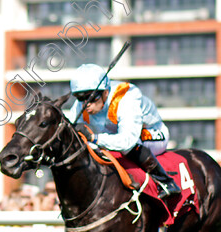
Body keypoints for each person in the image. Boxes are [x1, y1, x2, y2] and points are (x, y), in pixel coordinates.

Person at [67, 63, 180, 198]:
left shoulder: (126, 98)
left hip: (150, 133)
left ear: (105, 93)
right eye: (81, 98)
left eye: (91, 98)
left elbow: (127, 141)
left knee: (127, 147)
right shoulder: (82, 103)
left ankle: (166, 182)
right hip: (115, 134)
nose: (86, 104)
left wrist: (93, 138)